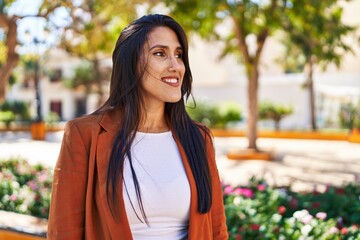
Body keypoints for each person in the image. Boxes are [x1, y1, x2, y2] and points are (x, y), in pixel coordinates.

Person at [47, 14, 228, 240]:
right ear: (131, 63)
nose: (175, 66)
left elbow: (217, 229)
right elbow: (64, 233)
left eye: (179, 55)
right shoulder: (84, 134)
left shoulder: (199, 138)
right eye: (160, 53)